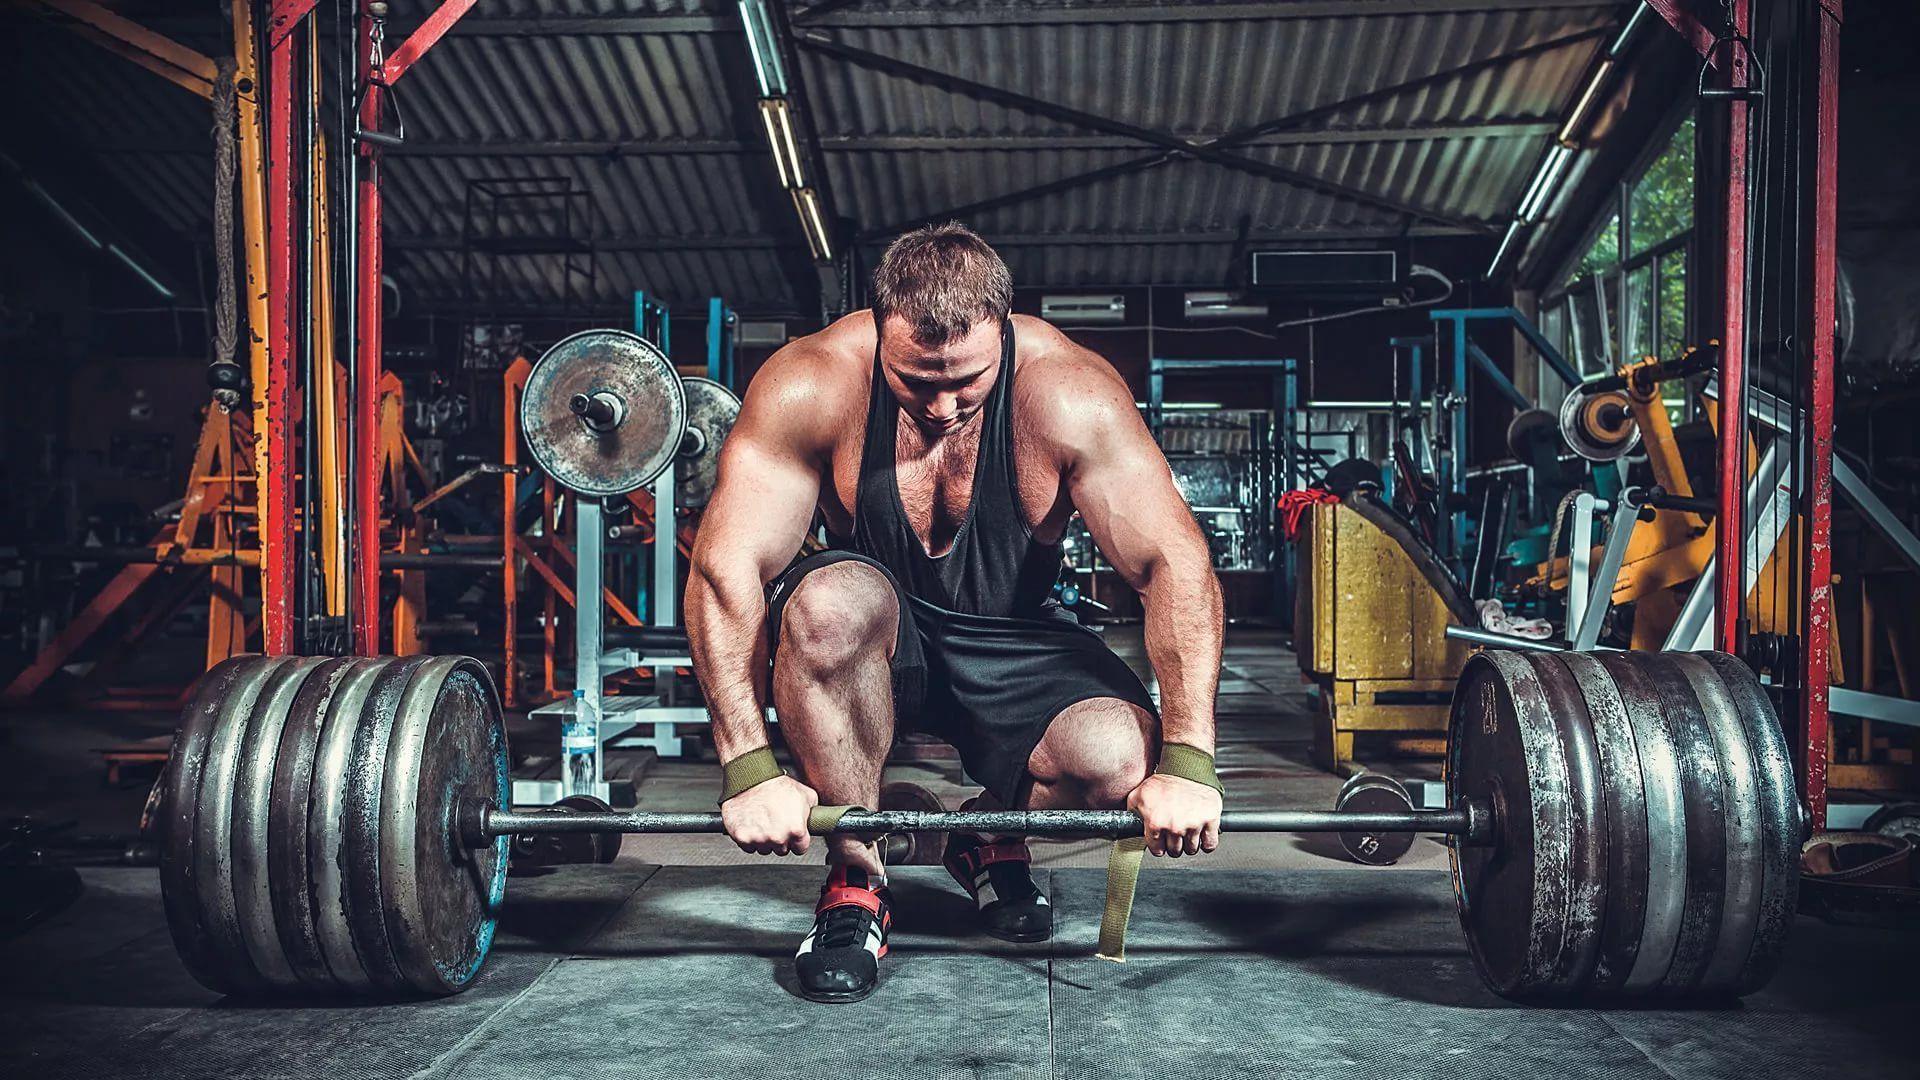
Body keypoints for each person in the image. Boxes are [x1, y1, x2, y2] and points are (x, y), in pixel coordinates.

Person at [685, 222, 1224, 1003]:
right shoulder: (813, 382)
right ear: (879, 332)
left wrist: (1189, 762)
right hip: (876, 624)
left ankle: (987, 834)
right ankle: (857, 880)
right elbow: (725, 566)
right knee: (826, 605)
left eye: (967, 381)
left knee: (1122, 763)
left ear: (1001, 329)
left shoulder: (1069, 393)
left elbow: (1174, 562)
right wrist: (748, 767)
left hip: (1016, 635)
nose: (942, 407)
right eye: (914, 380)